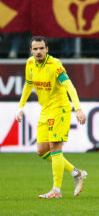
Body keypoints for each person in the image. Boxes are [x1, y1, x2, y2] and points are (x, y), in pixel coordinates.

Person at [15, 36, 87, 198]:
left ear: (47, 49)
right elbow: (28, 84)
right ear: (31, 50)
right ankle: (77, 173)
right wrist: (20, 106)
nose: (38, 52)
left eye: (41, 48)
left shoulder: (55, 66)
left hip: (60, 109)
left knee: (55, 149)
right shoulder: (30, 64)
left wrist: (78, 108)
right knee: (42, 151)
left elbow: (69, 86)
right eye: (35, 49)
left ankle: (56, 190)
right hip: (45, 110)